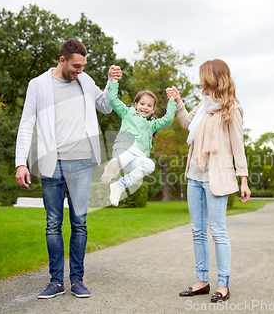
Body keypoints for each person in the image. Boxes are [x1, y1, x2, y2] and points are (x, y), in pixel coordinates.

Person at [15, 39, 122, 299]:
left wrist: (112, 82)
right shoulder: (38, 85)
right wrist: (21, 162)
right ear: (62, 60)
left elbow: (105, 106)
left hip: (83, 162)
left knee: (80, 223)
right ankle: (55, 281)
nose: (80, 71)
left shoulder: (85, 81)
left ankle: (77, 280)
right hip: (52, 163)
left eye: (83, 66)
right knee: (53, 224)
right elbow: (26, 123)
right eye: (76, 66)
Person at [166, 59, 251, 303]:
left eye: (203, 76)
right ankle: (202, 281)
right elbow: (186, 124)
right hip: (195, 175)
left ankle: (223, 284)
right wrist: (179, 102)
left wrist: (243, 180)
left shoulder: (231, 108)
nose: (199, 80)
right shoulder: (203, 105)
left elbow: (238, 147)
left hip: (218, 177)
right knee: (197, 231)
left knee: (218, 231)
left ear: (214, 78)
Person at [101, 77, 177, 206]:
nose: (145, 108)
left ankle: (120, 185)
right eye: (142, 104)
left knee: (150, 165)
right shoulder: (127, 113)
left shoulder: (153, 124)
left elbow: (168, 119)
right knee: (127, 154)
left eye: (149, 106)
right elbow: (113, 100)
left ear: (153, 110)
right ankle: (113, 168)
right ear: (135, 105)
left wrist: (172, 100)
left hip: (137, 157)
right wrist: (114, 82)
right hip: (124, 148)